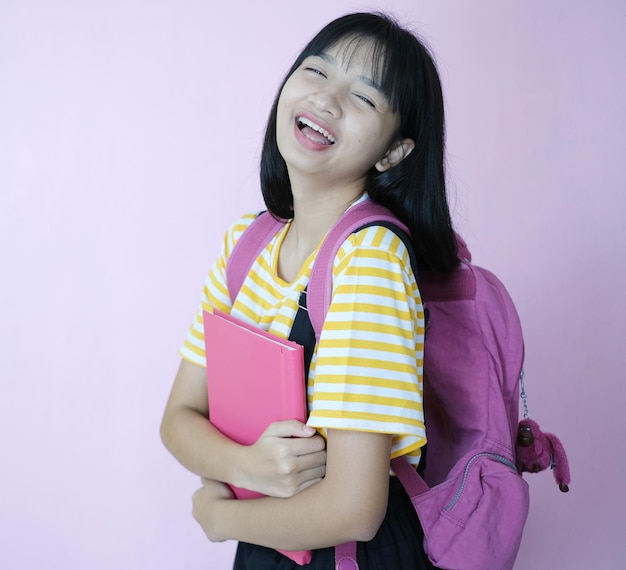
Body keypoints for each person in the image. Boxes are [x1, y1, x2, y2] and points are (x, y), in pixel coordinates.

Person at [160, 12, 458, 569]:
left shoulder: (369, 260)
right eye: (317, 70)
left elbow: (354, 509)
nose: (327, 98)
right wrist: (253, 466)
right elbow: (178, 417)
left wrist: (220, 515)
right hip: (269, 542)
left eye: (365, 98)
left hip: (347, 556)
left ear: (393, 153)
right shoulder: (245, 244)